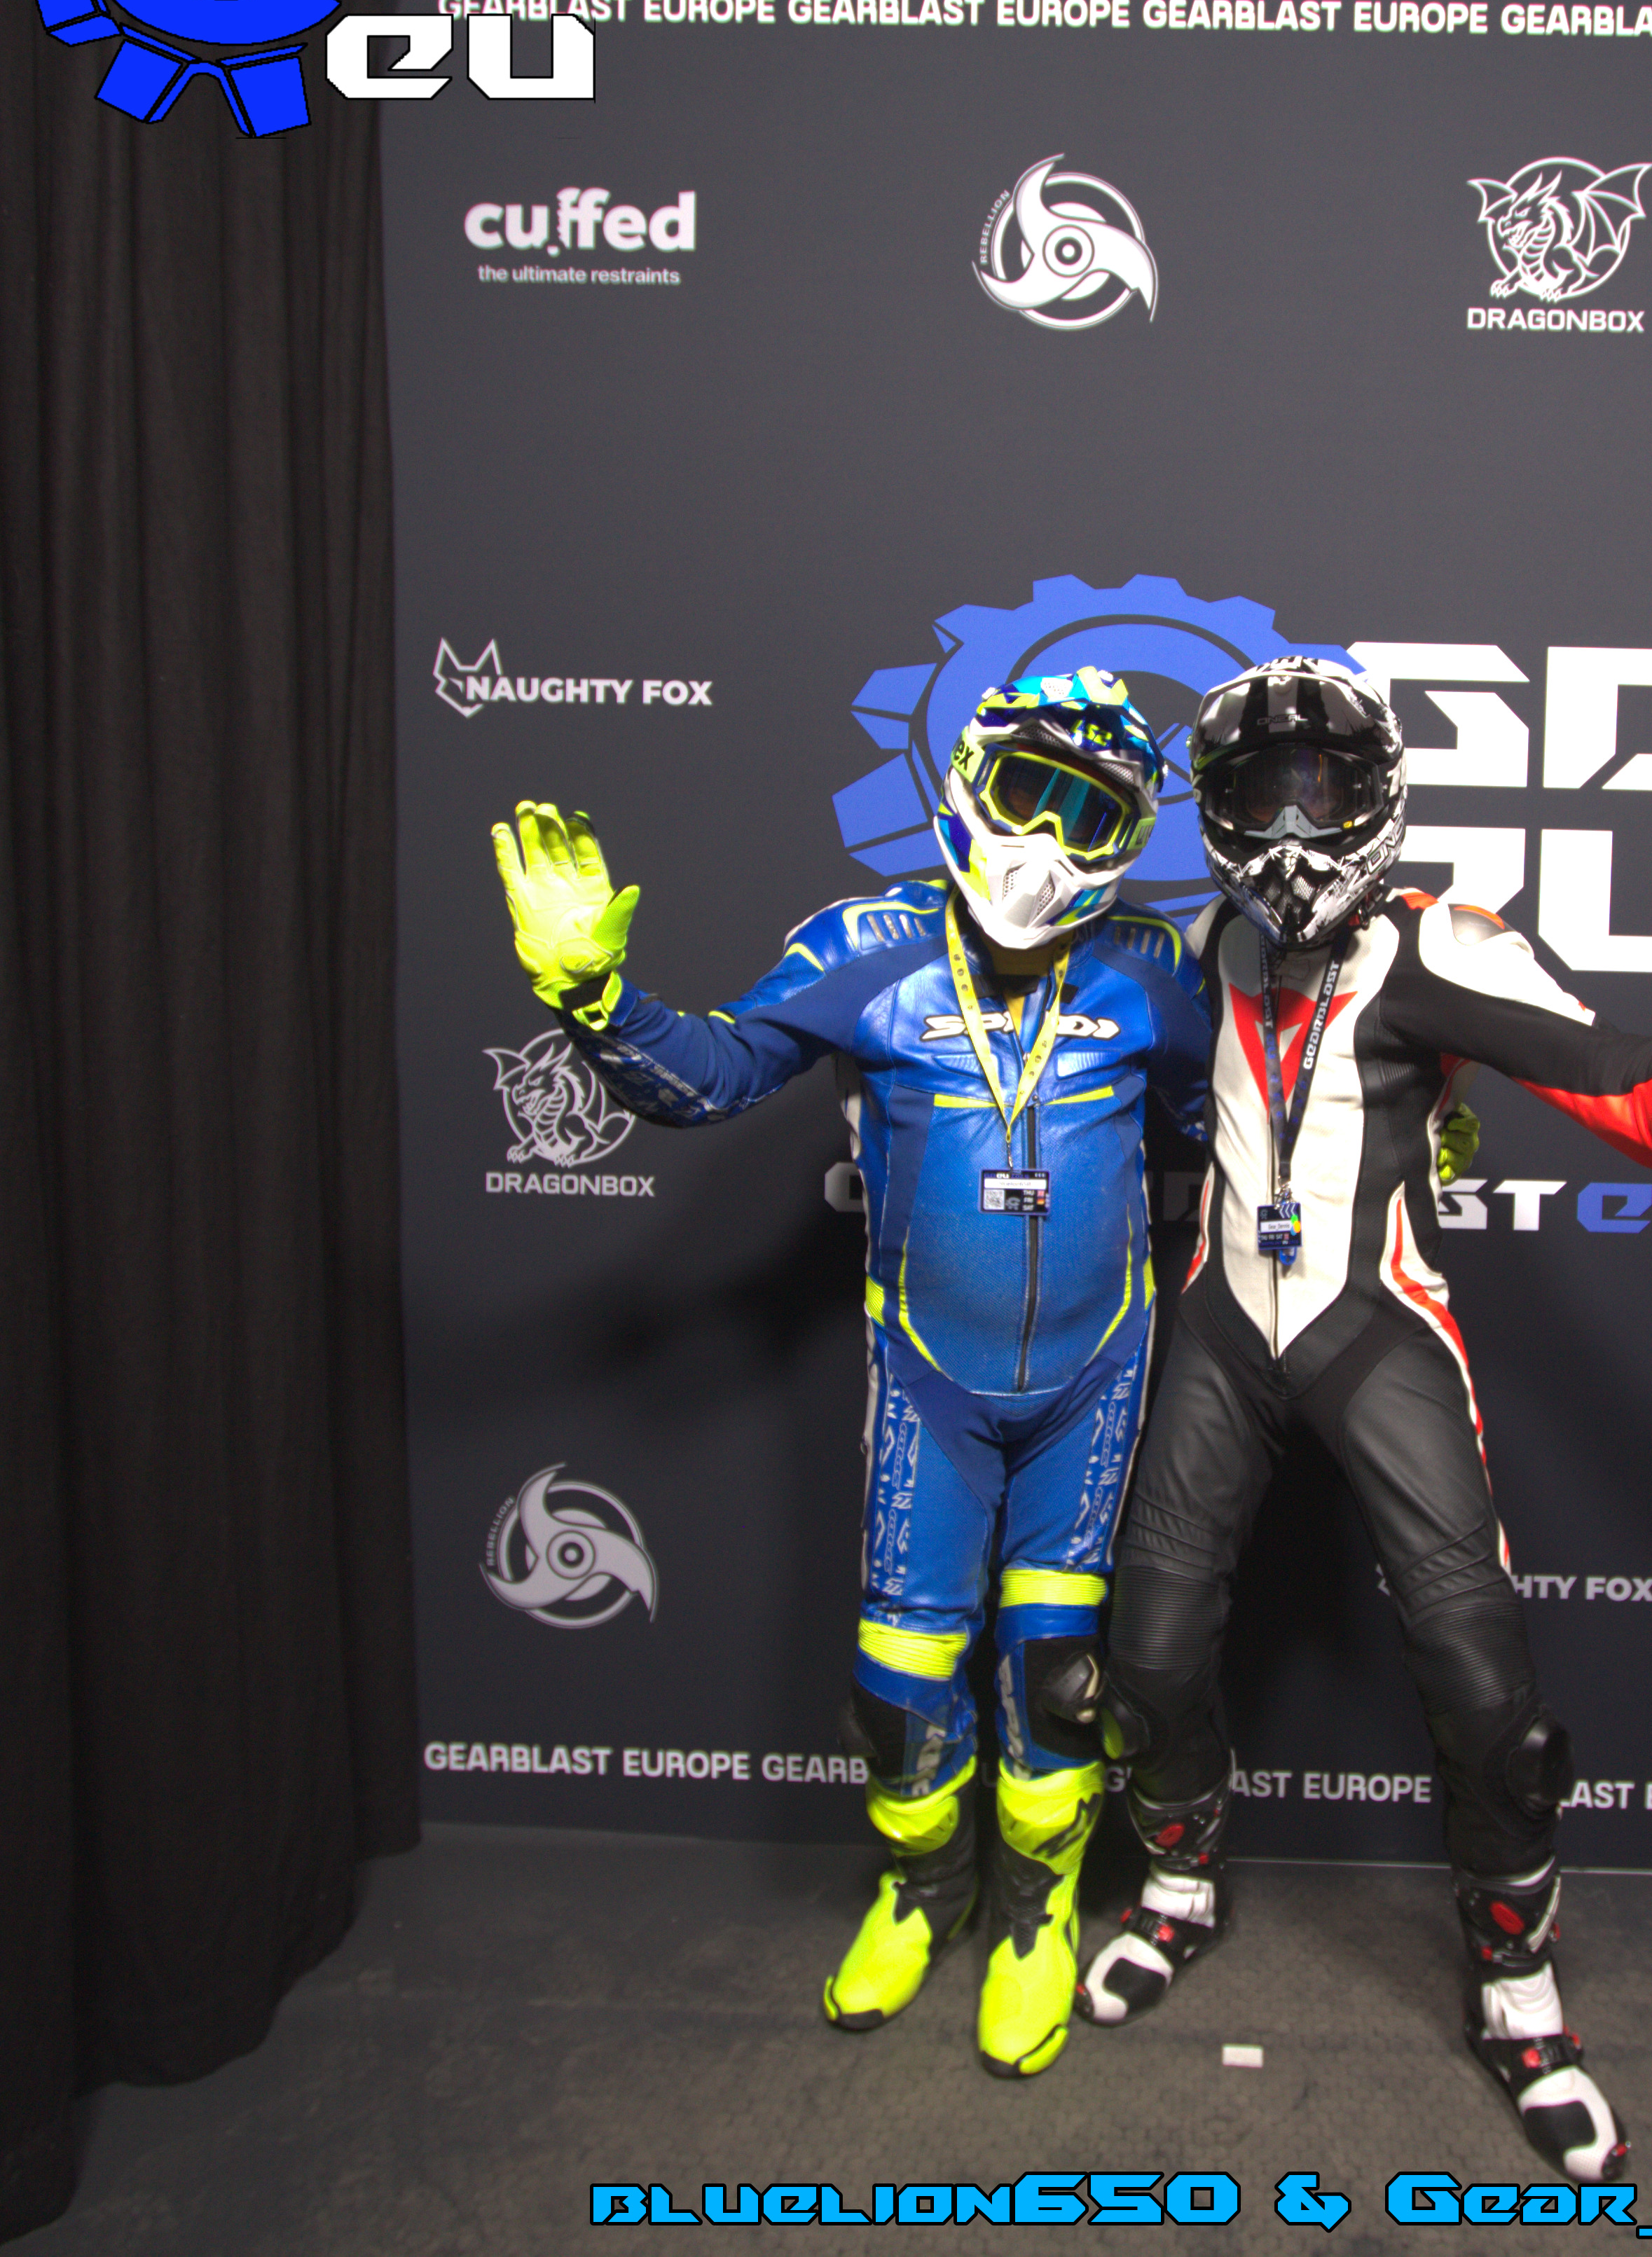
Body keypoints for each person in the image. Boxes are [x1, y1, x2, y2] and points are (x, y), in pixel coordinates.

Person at [1080, 658, 1652, 2183]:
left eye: (1322, 795)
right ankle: (1179, 1886)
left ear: (1379, 800)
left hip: (1374, 1330)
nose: (1292, 834)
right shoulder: (1195, 949)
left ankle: (1519, 1992)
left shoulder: (1438, 944)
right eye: (1261, 799)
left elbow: (1639, 1105)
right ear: (1214, 814)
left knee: (1481, 1687)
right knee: (1149, 1651)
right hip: (1219, 1332)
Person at [488, 668, 1207, 2081]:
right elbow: (710, 1076)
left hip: (1090, 1387)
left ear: (1128, 840)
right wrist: (593, 999)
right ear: (968, 785)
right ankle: (920, 1891)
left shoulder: (1151, 968)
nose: (1046, 842)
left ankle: (1036, 1911)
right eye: (1027, 795)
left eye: (1088, 814)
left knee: (1056, 1676)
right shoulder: (866, 947)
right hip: (931, 1389)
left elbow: (1226, 1119)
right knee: (899, 1682)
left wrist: (1398, 1129)